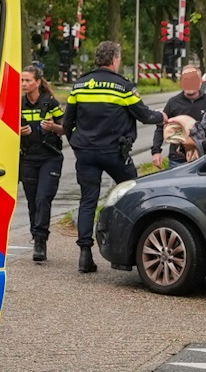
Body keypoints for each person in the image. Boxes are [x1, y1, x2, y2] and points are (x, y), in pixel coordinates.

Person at [65, 40, 165, 273]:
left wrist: (77, 145)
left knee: (88, 200)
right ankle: (130, 245)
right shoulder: (122, 87)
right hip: (114, 153)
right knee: (132, 192)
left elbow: (68, 121)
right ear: (115, 59)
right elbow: (144, 115)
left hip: (86, 153)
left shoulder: (80, 85)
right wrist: (162, 117)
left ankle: (84, 254)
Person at [18, 63, 65, 262]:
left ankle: (40, 240)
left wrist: (53, 127)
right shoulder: (18, 104)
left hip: (50, 157)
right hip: (28, 158)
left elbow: (66, 129)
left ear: (38, 82)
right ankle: (36, 236)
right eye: (22, 80)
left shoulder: (51, 103)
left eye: (28, 80)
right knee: (32, 201)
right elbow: (7, 130)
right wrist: (18, 132)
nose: (24, 84)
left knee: (43, 197)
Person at [150, 64, 206, 168]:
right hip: (177, 161)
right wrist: (156, 152)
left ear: (200, 82)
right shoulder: (173, 102)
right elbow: (160, 127)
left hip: (203, 159)